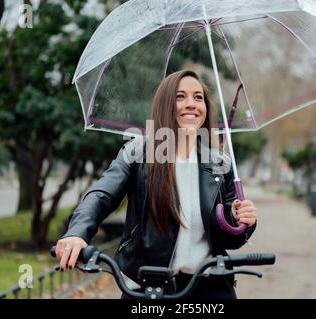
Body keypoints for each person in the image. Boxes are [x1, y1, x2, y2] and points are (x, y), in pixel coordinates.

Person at [55, 70, 258, 299]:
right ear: (164, 105)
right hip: (150, 287)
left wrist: (243, 221)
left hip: (210, 287)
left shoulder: (221, 164)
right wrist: (77, 233)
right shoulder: (137, 153)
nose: (191, 104)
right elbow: (102, 194)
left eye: (198, 97)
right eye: (180, 96)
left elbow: (229, 238)